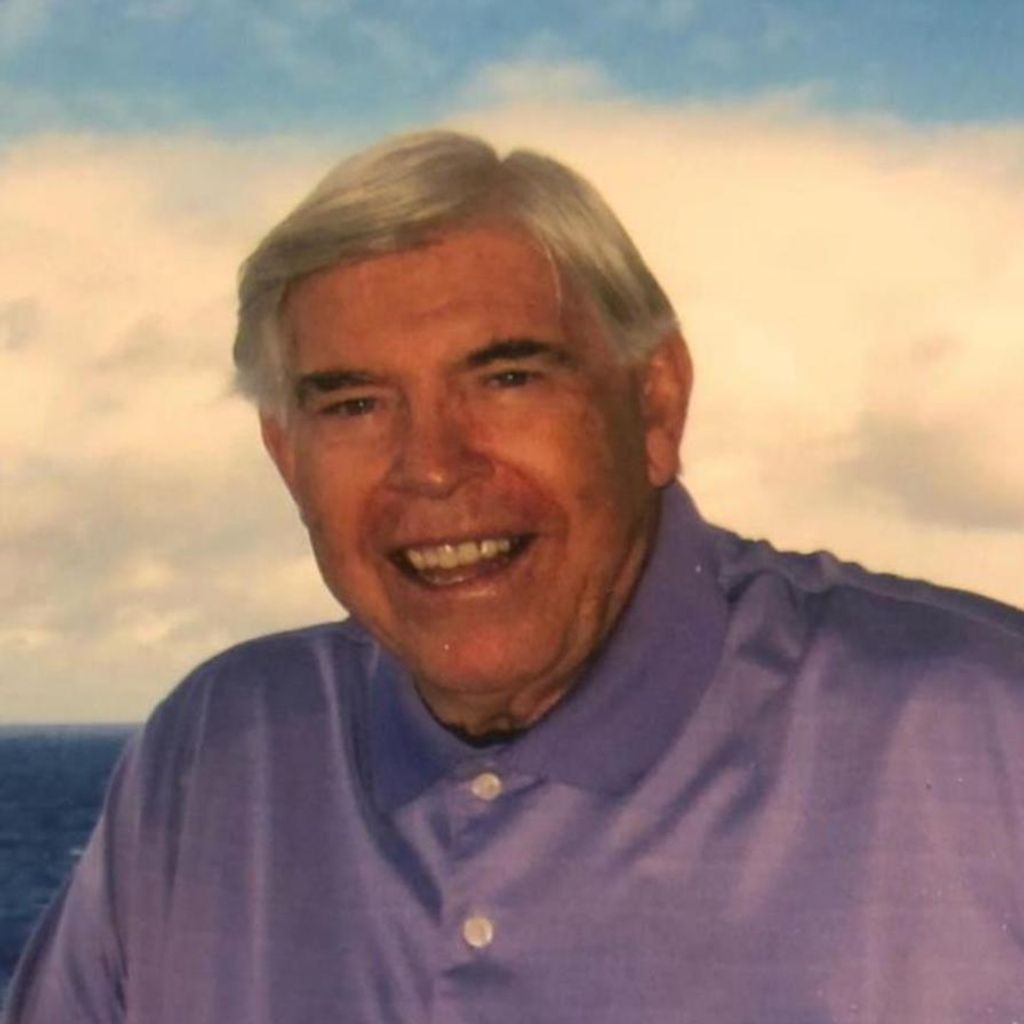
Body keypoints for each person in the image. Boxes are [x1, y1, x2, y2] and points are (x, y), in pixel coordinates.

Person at [5, 130, 1024, 1024]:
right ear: (285, 455)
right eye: (354, 404)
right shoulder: (216, 756)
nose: (432, 466)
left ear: (656, 404)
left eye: (506, 379)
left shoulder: (980, 737)